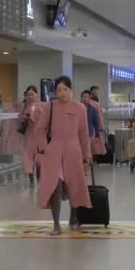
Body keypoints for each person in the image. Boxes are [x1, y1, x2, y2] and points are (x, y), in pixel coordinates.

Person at [34, 76, 91, 235]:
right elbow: (39, 129)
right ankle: (56, 224)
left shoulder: (80, 108)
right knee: (55, 187)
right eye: (59, 90)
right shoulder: (49, 107)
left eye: (65, 89)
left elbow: (83, 133)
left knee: (74, 185)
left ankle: (73, 219)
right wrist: (45, 148)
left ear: (71, 90)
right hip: (54, 153)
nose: (62, 93)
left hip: (73, 151)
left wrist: (87, 154)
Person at [19, 85, 42, 187]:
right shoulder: (24, 106)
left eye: (32, 94)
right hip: (28, 136)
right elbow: (19, 119)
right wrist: (24, 118)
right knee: (29, 159)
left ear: (36, 95)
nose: (30, 97)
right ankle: (32, 180)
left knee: (39, 159)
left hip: (39, 136)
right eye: (28, 95)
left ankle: (40, 179)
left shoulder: (42, 106)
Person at [80, 90, 103, 159]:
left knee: (88, 153)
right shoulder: (77, 108)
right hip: (78, 135)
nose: (85, 98)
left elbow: (96, 123)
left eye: (87, 97)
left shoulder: (93, 109)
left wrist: (97, 135)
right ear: (81, 98)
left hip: (89, 134)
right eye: (83, 97)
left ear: (90, 99)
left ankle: (88, 164)